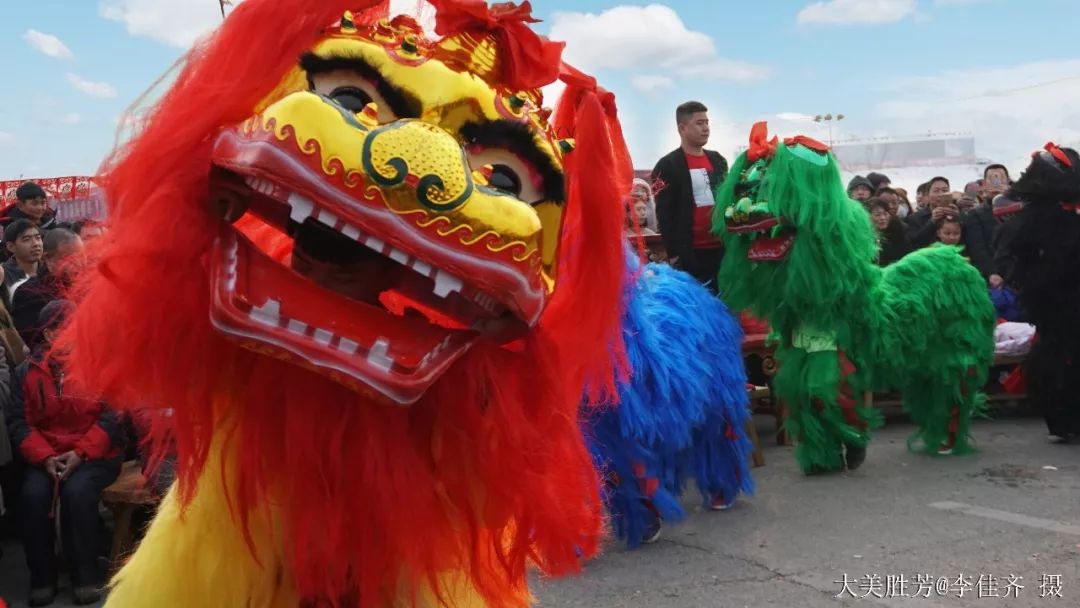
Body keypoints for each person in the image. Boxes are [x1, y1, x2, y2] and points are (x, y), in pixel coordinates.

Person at [7, 300, 123, 606]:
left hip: (95, 454)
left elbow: (112, 416)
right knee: (33, 496)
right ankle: (43, 578)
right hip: (46, 455)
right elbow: (19, 421)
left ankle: (85, 576)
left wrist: (81, 453)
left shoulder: (101, 364)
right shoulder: (26, 373)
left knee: (77, 493)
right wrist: (45, 457)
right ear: (48, 335)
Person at [652, 101, 728, 287]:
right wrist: (674, 255)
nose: (706, 128)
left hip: (722, 250)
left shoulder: (718, 160)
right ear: (682, 128)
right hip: (690, 254)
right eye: (699, 123)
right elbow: (664, 213)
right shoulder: (667, 166)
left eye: (707, 122)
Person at [11, 229, 83, 349]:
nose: (79, 264)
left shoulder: (85, 286)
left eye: (81, 256)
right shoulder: (28, 293)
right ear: (48, 259)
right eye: (70, 259)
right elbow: (36, 340)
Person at [906, 176, 954, 248]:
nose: (940, 194)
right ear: (928, 195)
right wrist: (932, 222)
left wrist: (958, 217)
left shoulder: (956, 212)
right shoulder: (915, 218)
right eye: (936, 191)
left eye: (945, 191)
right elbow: (914, 242)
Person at [2, 220, 45, 295]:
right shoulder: (3, 275)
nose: (36, 244)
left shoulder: (51, 269)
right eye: (27, 239)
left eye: (38, 238)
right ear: (11, 247)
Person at [868, 197, 910, 266]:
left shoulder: (898, 233)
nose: (882, 218)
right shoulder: (864, 237)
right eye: (877, 215)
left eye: (885, 214)